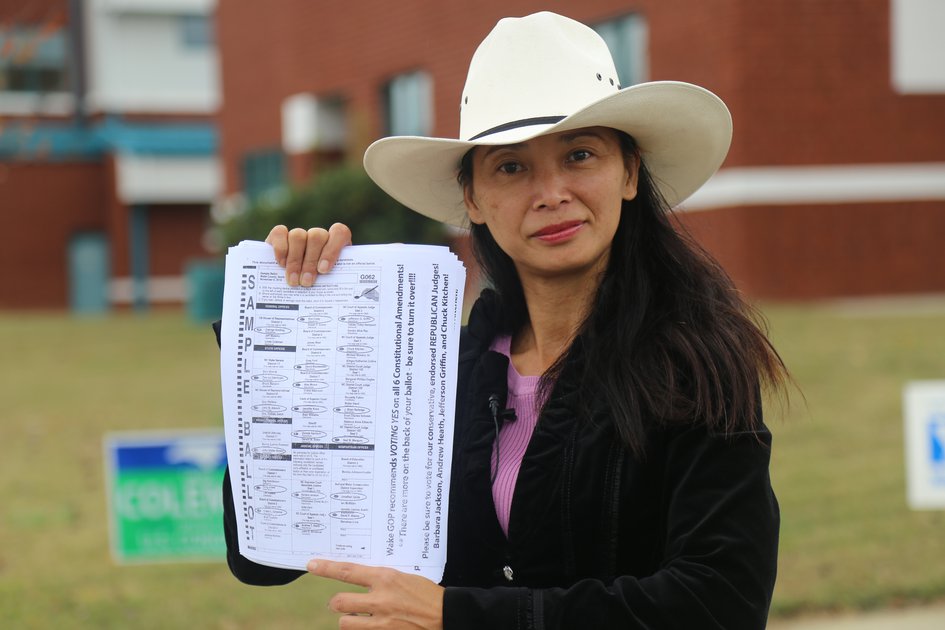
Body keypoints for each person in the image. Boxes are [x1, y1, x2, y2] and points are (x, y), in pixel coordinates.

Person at [221, 11, 789, 629]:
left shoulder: (695, 363)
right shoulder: (438, 372)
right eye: (511, 167)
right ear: (473, 199)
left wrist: (459, 615)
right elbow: (265, 559)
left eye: (579, 155)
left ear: (629, 172)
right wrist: (294, 334)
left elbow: (720, 601)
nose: (551, 192)